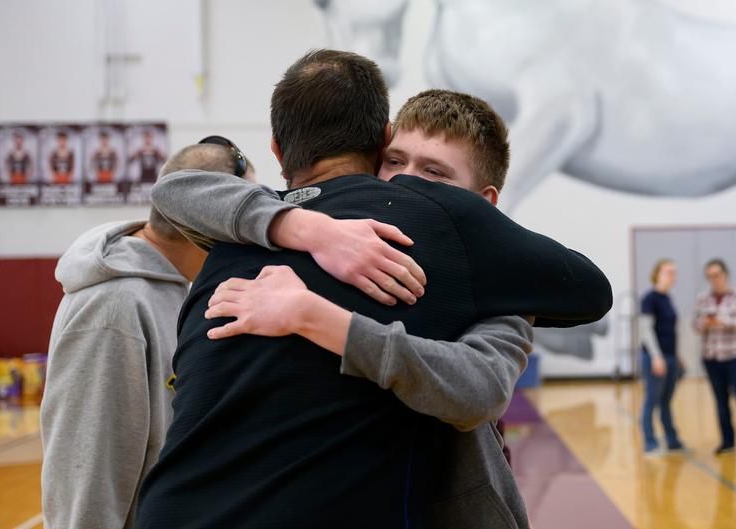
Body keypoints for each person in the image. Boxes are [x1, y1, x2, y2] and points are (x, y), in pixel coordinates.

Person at [133, 49, 612, 529]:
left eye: (435, 176)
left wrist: (317, 316)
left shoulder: (486, 271)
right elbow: (175, 192)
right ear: (381, 146)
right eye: (396, 162)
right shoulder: (262, 219)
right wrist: (306, 229)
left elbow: (483, 385)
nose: (407, 184)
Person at [40, 143, 245, 529]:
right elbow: (87, 474)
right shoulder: (112, 304)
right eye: (242, 219)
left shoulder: (175, 286)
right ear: (208, 224)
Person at [693, 258, 736, 456]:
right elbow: (695, 324)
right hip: (712, 357)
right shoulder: (702, 299)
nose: (714, 280)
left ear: (725, 274)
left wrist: (725, 322)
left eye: (717, 275)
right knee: (721, 402)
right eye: (709, 277)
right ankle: (727, 441)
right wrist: (705, 324)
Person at [638, 259, 685, 456]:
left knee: (666, 401)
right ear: (657, 274)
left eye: (674, 272)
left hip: (670, 356)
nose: (671, 275)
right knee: (652, 400)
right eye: (667, 272)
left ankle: (672, 441)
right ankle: (650, 444)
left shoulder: (667, 298)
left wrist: (677, 356)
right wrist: (657, 357)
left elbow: (671, 331)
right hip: (655, 358)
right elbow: (646, 331)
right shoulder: (650, 298)